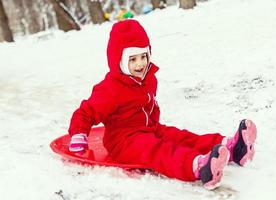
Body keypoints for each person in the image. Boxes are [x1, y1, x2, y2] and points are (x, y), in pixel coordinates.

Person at [68, 19, 257, 190]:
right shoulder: (110, 88)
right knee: (158, 151)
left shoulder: (148, 79)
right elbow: (86, 112)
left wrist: (154, 127)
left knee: (181, 137)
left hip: (150, 128)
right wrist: (79, 133)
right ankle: (199, 167)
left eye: (143, 56)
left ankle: (232, 148)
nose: (140, 64)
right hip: (124, 141)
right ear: (119, 61)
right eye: (132, 59)